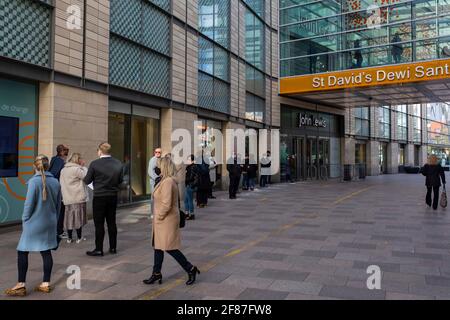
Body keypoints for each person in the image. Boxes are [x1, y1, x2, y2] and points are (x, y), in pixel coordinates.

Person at [4, 155, 61, 297]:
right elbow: (59, 206)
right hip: (50, 222)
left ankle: (21, 285)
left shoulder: (34, 182)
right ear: (48, 166)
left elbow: (28, 206)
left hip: (34, 223)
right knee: (46, 251)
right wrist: (55, 220)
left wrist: (25, 221)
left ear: (34, 167)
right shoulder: (55, 182)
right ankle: (46, 284)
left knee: (22, 251)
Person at [143, 156, 200, 286]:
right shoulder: (164, 180)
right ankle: (156, 273)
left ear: (164, 167)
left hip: (166, 220)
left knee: (170, 248)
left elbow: (167, 203)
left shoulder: (168, 182)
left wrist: (159, 216)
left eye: (158, 165)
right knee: (158, 247)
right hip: (163, 220)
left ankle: (191, 269)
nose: (156, 168)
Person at [84, 142, 123, 257]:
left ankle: (99, 249)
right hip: (112, 196)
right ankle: (113, 247)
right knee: (112, 222)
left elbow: (86, 180)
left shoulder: (95, 164)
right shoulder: (118, 163)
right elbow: (120, 180)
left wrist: (96, 186)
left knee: (99, 224)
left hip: (99, 196)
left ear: (100, 151)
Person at [60, 153, 88, 244]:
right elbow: (86, 176)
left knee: (69, 218)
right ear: (78, 160)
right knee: (78, 218)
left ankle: (69, 238)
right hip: (77, 197)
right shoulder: (77, 169)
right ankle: (79, 237)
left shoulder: (63, 170)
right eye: (81, 159)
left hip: (67, 198)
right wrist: (83, 166)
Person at [49, 144, 69, 239]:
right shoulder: (60, 161)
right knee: (60, 210)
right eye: (66, 151)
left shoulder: (54, 159)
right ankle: (59, 231)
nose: (67, 154)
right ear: (61, 152)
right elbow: (54, 174)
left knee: (57, 210)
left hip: (54, 189)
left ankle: (56, 230)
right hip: (58, 190)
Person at [184, 155, 199, 220]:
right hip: (189, 185)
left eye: (189, 160)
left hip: (190, 185)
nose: (188, 161)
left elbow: (191, 177)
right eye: (187, 159)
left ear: (192, 160)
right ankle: (187, 213)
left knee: (189, 200)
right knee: (186, 200)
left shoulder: (192, 167)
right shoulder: (189, 167)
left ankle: (191, 214)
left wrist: (187, 180)